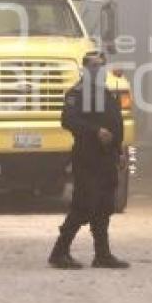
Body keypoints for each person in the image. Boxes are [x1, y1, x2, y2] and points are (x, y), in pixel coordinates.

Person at [48, 51, 129, 270]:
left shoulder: (108, 94)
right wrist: (95, 131)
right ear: (85, 69)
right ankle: (59, 252)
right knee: (84, 204)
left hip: (108, 157)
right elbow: (68, 119)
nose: (97, 70)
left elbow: (117, 124)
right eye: (93, 66)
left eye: (101, 66)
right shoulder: (76, 93)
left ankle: (102, 255)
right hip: (87, 156)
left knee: (104, 205)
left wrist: (119, 151)